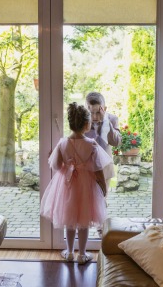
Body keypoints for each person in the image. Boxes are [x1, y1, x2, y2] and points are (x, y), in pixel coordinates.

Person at [40, 102, 114, 264]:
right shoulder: (91, 145)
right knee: (84, 220)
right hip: (87, 187)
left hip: (67, 185)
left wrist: (68, 167)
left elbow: (56, 166)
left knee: (70, 218)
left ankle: (70, 252)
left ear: (71, 124)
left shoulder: (62, 143)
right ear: (87, 125)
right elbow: (97, 170)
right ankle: (82, 254)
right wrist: (102, 187)